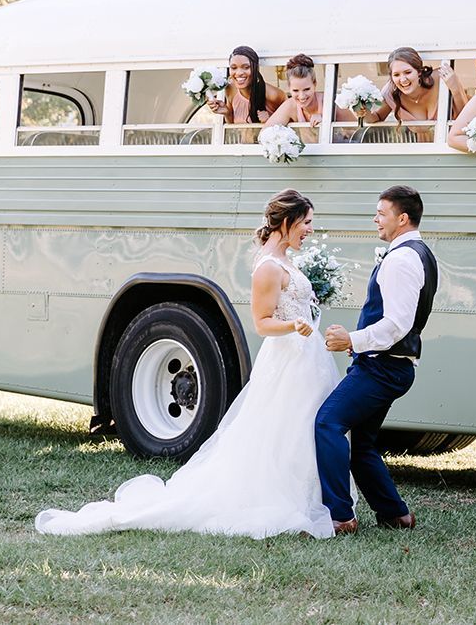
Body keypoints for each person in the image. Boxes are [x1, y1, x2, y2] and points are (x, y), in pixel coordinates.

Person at [36, 190, 339, 538]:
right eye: (307, 223)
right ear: (287, 222)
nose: (311, 230)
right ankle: (285, 497)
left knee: (299, 428)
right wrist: (293, 325)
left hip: (303, 358)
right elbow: (261, 322)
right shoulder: (268, 267)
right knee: (282, 429)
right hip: (287, 359)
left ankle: (310, 494)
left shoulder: (285, 260)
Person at [318, 186, 437, 534]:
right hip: (393, 366)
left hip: (383, 367)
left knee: (328, 423)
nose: (375, 219)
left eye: (381, 213)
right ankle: (396, 515)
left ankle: (340, 517)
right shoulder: (421, 252)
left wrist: (351, 340)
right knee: (363, 444)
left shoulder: (401, 259)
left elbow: (396, 325)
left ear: (402, 218)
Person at [364, 47, 467, 127]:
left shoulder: (442, 78)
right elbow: (375, 118)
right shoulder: (390, 93)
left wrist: (455, 88)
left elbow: (467, 117)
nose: (403, 79)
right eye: (396, 75)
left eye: (408, 72)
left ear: (419, 71)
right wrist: (361, 109)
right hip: (421, 151)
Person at [266, 54, 354, 142]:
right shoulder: (290, 105)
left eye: (307, 89)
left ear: (315, 84)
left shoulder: (330, 102)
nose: (302, 96)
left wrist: (325, 119)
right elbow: (265, 133)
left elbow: (357, 131)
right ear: (289, 88)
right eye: (296, 90)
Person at [207, 45, 284, 126]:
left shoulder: (273, 94)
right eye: (234, 68)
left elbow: (292, 125)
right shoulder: (230, 89)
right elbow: (234, 126)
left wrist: (271, 121)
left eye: (246, 67)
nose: (239, 73)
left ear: (255, 68)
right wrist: (227, 113)